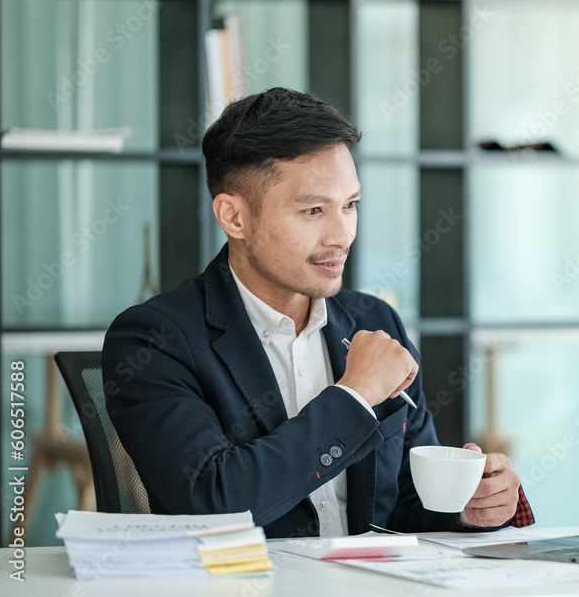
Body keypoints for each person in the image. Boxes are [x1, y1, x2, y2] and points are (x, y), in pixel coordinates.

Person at [102, 87, 533, 538]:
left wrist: (471, 508)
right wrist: (356, 394)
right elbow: (216, 500)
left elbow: (404, 505)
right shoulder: (154, 339)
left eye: (350, 205)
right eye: (313, 210)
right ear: (234, 217)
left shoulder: (376, 324)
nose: (342, 235)